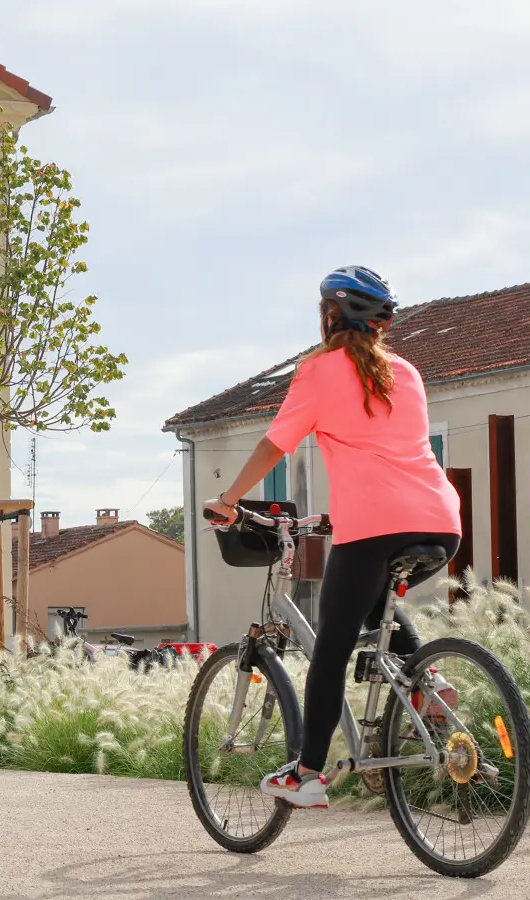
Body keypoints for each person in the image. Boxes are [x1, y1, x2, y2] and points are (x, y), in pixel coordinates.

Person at [205, 266, 461, 810]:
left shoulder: (319, 371)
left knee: (331, 647)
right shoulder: (407, 373)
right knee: (374, 605)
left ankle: (307, 773)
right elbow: (388, 450)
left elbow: (276, 444)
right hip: (440, 521)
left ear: (329, 317)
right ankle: (428, 681)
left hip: (373, 524)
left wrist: (229, 501)